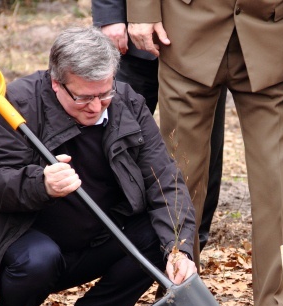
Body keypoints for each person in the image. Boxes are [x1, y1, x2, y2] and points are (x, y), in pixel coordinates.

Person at [0, 26, 197, 306]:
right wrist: (41, 183)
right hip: (24, 243)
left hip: (96, 239)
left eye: (104, 94)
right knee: (39, 259)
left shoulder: (128, 104)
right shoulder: (15, 105)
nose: (96, 107)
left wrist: (178, 249)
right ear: (56, 83)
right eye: (83, 97)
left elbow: (164, 181)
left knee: (156, 234)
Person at [126, 1, 283, 306]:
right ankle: (179, 300)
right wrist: (142, 10)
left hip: (273, 39)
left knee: (274, 184)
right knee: (180, 177)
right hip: (185, 32)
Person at [91, 0, 227, 251]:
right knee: (109, 143)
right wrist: (111, 14)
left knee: (201, 157)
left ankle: (188, 249)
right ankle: (103, 243)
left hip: (204, 41)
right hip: (132, 45)